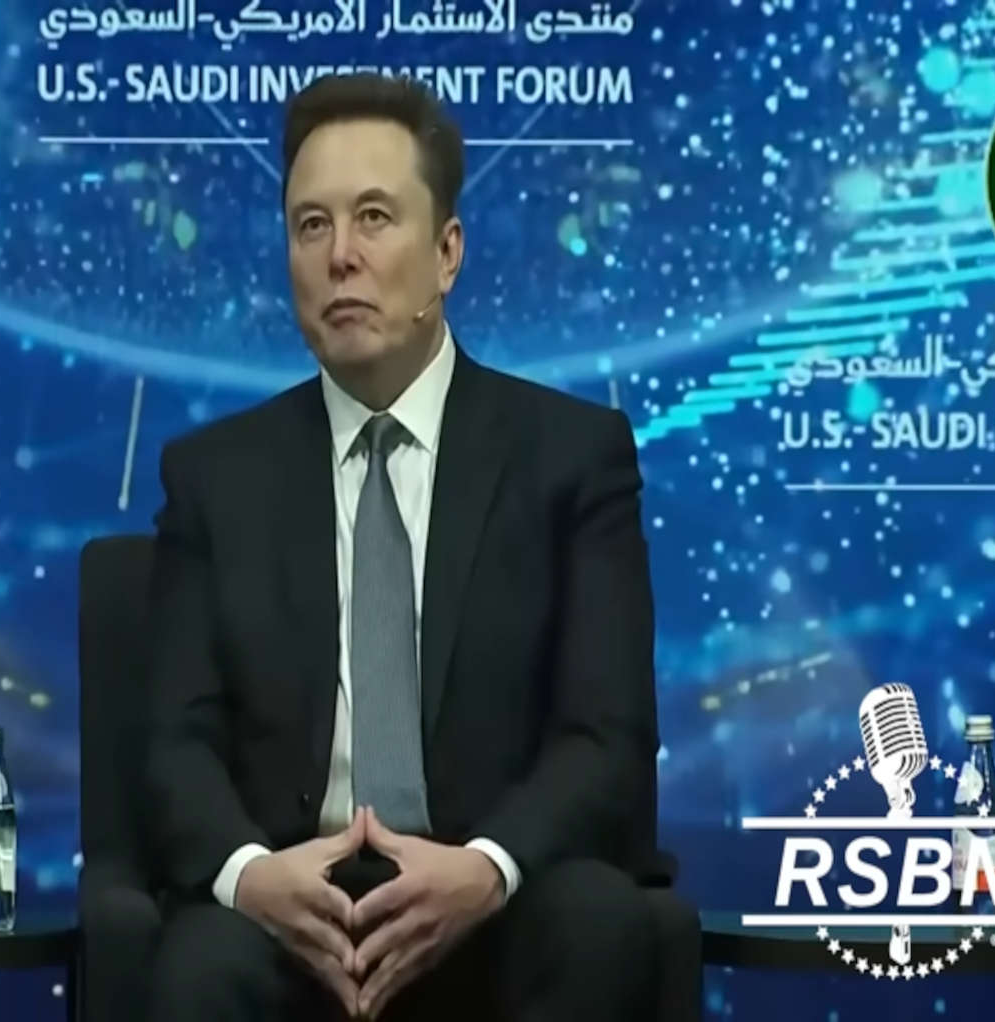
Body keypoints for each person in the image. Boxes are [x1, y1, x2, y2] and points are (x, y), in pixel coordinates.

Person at [145, 72, 661, 1021]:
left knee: (597, 923)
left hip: (495, 903)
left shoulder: (570, 458)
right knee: (198, 964)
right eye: (311, 225)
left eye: (374, 217)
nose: (341, 255)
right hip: (294, 914)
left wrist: (487, 867)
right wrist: (253, 876)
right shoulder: (214, 478)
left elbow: (607, 737)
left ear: (447, 252)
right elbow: (175, 745)